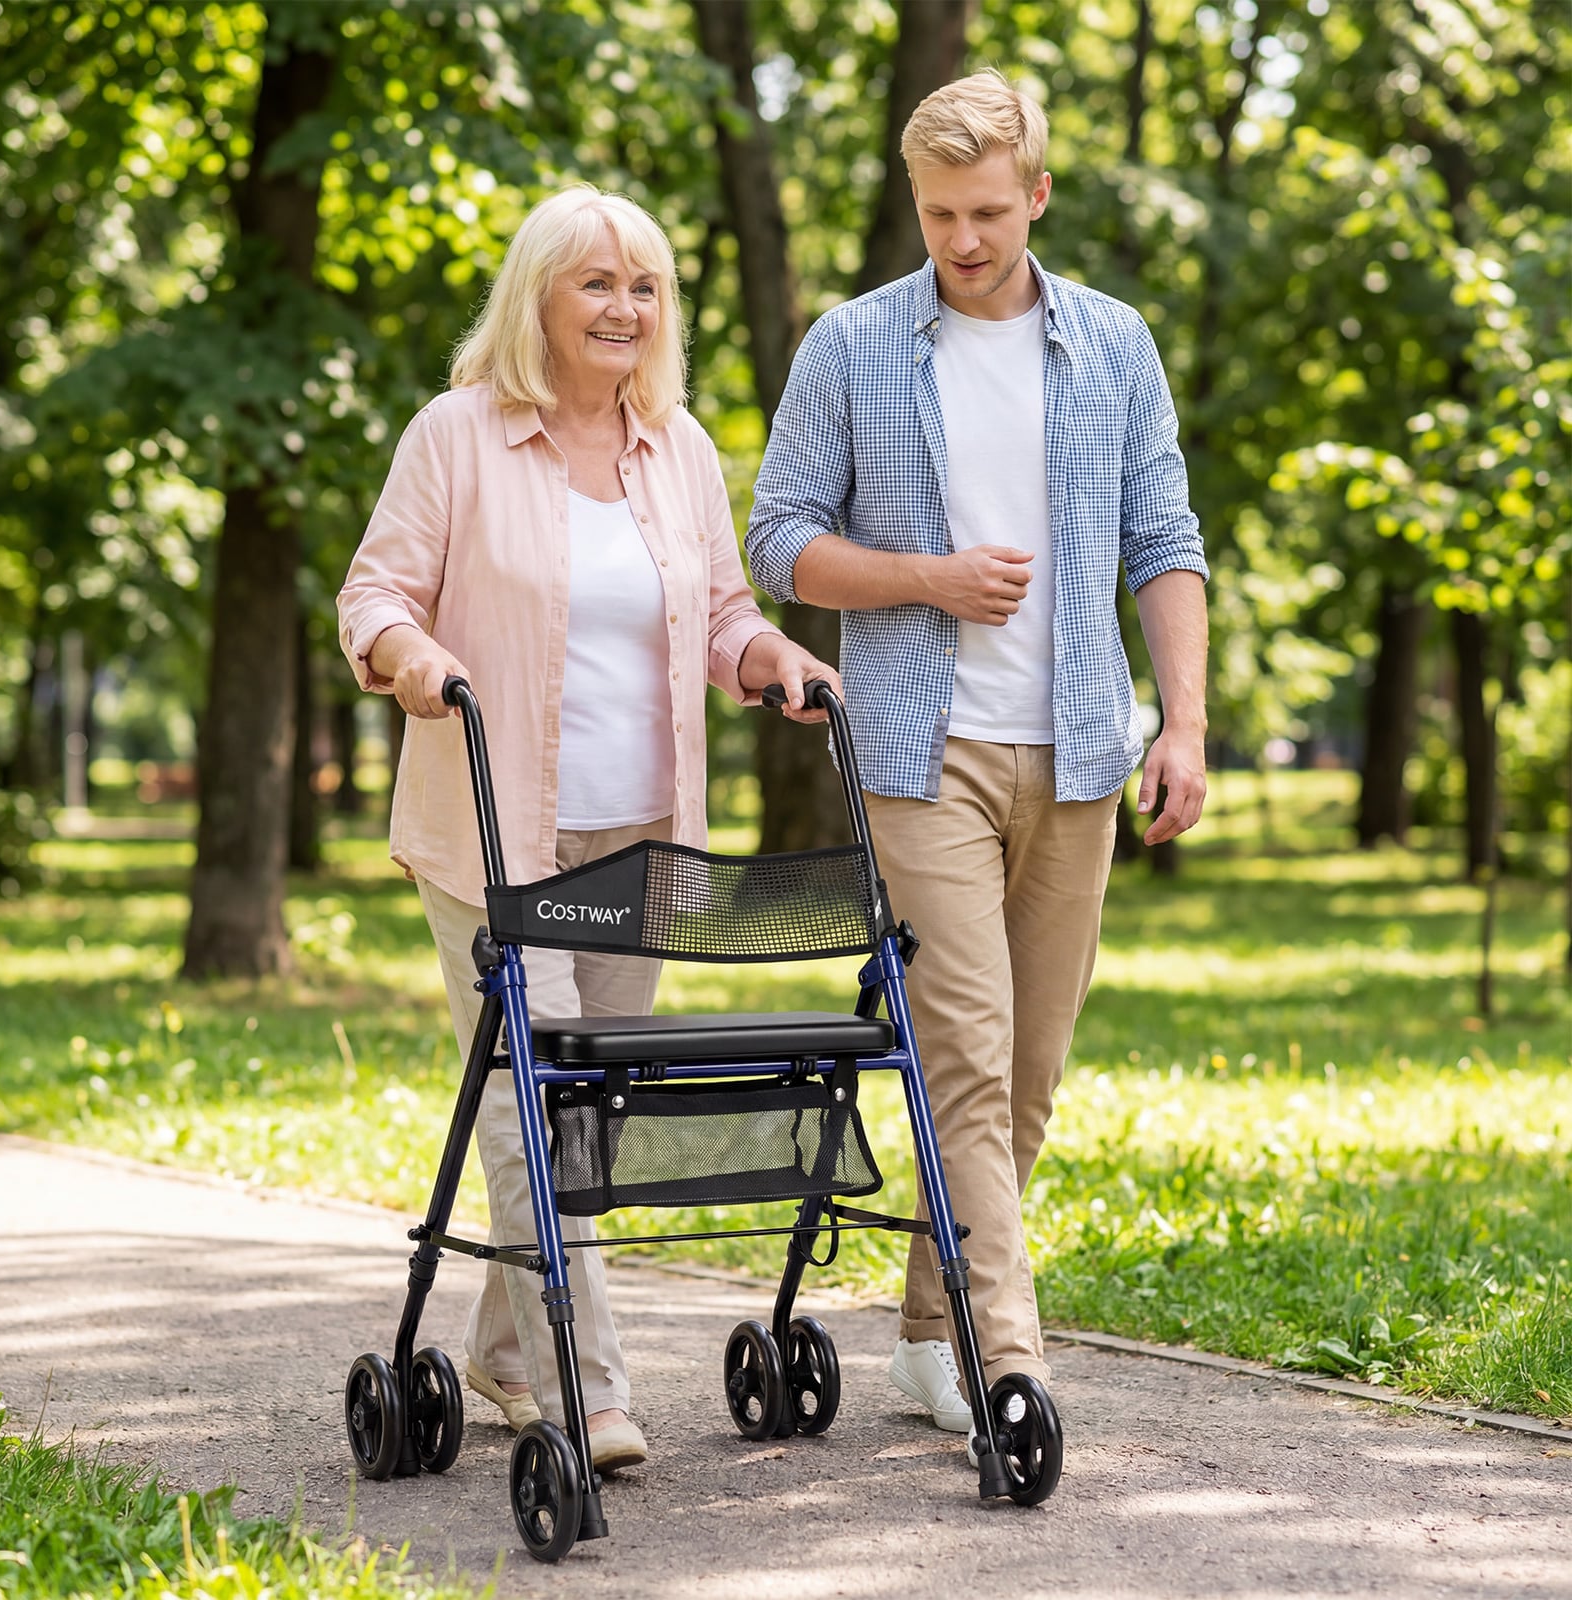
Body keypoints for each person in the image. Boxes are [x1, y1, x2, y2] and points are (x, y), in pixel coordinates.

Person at [338, 185, 836, 1472]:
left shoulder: (677, 450)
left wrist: (770, 651)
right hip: (494, 834)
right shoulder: (457, 435)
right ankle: (587, 1388)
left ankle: (505, 1350)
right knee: (533, 1093)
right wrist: (410, 656)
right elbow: (374, 590)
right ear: (539, 300)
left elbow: (721, 611)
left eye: (645, 286)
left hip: (640, 837)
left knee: (589, 1109)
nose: (623, 307)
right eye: (596, 284)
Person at [746, 71, 1209, 1447]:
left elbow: (1164, 540)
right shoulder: (853, 345)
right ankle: (1015, 1365)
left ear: (1039, 195)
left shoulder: (1113, 344)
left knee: (1025, 1083)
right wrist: (924, 580)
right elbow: (778, 539)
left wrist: (1183, 724)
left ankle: (927, 1338)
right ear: (916, 204)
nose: (963, 238)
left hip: (1075, 753)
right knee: (965, 1054)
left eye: (989, 211)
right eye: (940, 213)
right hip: (918, 750)